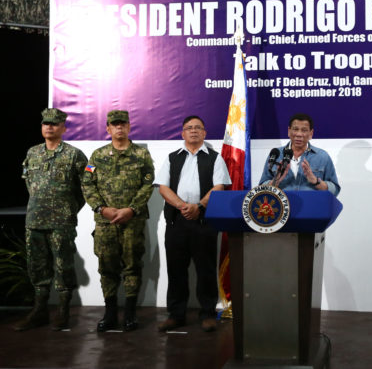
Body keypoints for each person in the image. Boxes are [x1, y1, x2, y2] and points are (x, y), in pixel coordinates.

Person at [155, 116, 231, 332]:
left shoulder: (215, 158)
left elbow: (219, 187)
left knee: (206, 270)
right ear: (183, 133)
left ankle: (207, 314)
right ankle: (176, 315)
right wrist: (183, 206)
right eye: (189, 128)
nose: (194, 131)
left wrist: (198, 206)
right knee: (176, 270)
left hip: (204, 221)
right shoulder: (172, 158)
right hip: (177, 221)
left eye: (198, 127)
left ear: (205, 133)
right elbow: (163, 187)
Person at [15, 108, 88, 331]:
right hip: (35, 219)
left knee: (63, 265)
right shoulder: (33, 152)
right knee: (37, 266)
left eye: (54, 124)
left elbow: (86, 187)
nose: (49, 127)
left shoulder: (74, 155)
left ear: (63, 128)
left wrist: (69, 209)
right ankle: (40, 311)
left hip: (61, 221)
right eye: (45, 123)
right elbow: (28, 182)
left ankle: (63, 311)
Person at [82, 110, 154, 332]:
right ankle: (110, 312)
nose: (119, 127)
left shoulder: (141, 154)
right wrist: (101, 209)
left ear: (129, 127)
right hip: (105, 223)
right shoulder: (97, 155)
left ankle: (130, 313)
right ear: (108, 128)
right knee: (107, 267)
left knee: (132, 265)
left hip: (133, 221)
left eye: (123, 124)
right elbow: (87, 183)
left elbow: (148, 184)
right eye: (115, 124)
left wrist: (131, 209)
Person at [258, 113, 340, 195]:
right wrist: (276, 181)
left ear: (311, 133)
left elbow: (335, 190)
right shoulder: (276, 155)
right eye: (295, 129)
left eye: (304, 130)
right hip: (281, 203)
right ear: (289, 131)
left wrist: (315, 181)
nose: (299, 134)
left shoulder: (322, 156)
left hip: (311, 203)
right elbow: (261, 190)